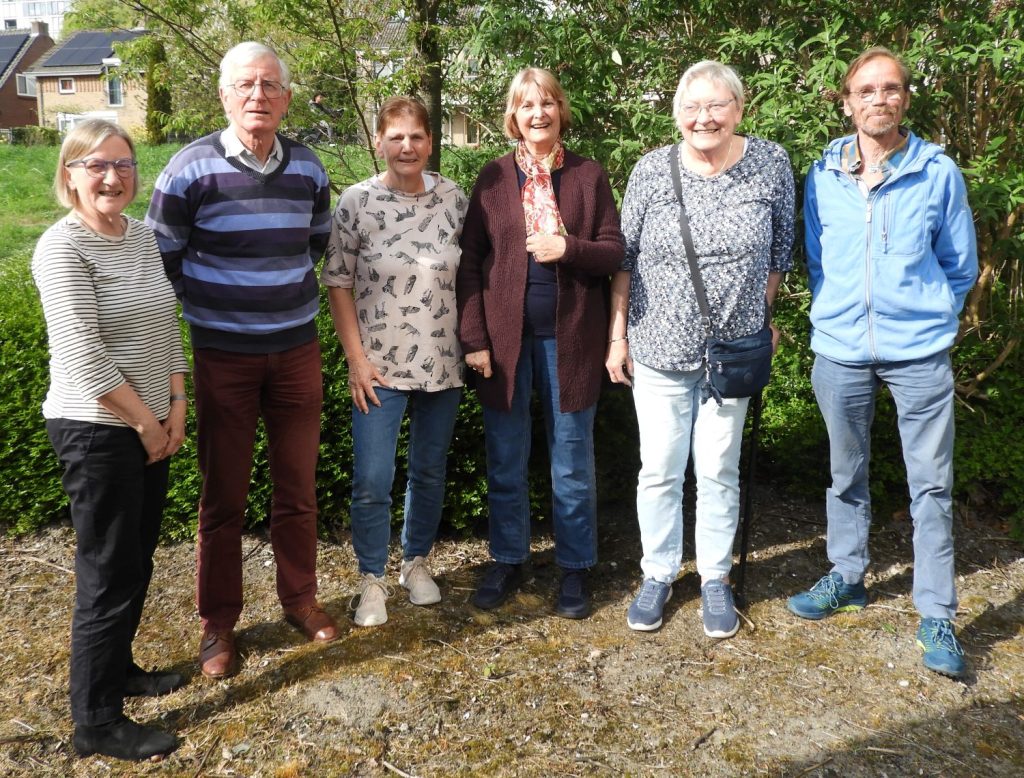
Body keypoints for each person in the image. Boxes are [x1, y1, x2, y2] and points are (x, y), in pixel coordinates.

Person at [146, 41, 337, 679]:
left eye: (269, 85)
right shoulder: (188, 169)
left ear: (287, 97)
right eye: (245, 85)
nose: (258, 96)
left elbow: (313, 243)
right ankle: (218, 623)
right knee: (222, 494)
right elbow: (160, 262)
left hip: (295, 352)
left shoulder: (309, 169)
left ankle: (299, 600)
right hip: (222, 355)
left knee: (297, 488)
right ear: (224, 95)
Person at [787, 47, 978, 678]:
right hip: (840, 352)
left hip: (919, 356)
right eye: (865, 90)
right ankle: (847, 576)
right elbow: (817, 259)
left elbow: (960, 266)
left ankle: (937, 614)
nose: (878, 99)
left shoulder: (937, 172)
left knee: (930, 488)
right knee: (846, 475)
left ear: (904, 99)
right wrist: (840, 314)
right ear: (847, 101)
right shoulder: (822, 174)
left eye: (889, 89)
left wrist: (926, 320)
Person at [608, 61, 794, 636]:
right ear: (677, 115)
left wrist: (761, 318)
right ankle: (658, 573)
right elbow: (624, 259)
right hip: (658, 347)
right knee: (660, 469)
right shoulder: (651, 171)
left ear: (739, 109)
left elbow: (780, 253)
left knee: (718, 469)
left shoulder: (771, 164)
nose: (704, 117)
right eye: (692, 108)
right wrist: (617, 336)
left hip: (732, 352)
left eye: (716, 105)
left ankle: (715, 577)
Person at [32, 119, 188, 760]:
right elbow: (85, 358)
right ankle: (95, 721)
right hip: (98, 432)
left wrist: (177, 403)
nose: (110, 176)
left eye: (122, 164)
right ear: (69, 174)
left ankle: (118, 670)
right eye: (94, 164)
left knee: (135, 559)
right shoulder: (60, 249)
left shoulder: (141, 235)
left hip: (151, 423)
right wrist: (148, 423)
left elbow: (164, 324)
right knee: (106, 573)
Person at [457, 67, 624, 619]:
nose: (538, 114)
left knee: (571, 460)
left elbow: (613, 252)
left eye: (547, 103)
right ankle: (508, 558)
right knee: (506, 457)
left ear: (560, 111)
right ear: (513, 115)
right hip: (504, 345)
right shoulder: (491, 179)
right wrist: (475, 338)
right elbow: (471, 263)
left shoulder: (587, 176)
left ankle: (575, 569)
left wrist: (568, 247)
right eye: (527, 105)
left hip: (571, 339)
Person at [321, 96, 468, 627]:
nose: (407, 147)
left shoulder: (454, 199)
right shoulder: (357, 203)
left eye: (417, 137)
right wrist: (356, 361)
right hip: (378, 368)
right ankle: (371, 578)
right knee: (373, 477)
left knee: (429, 472)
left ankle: (416, 563)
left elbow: (470, 275)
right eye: (396, 137)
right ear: (379, 142)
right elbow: (337, 282)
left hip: (443, 363)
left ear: (431, 142)